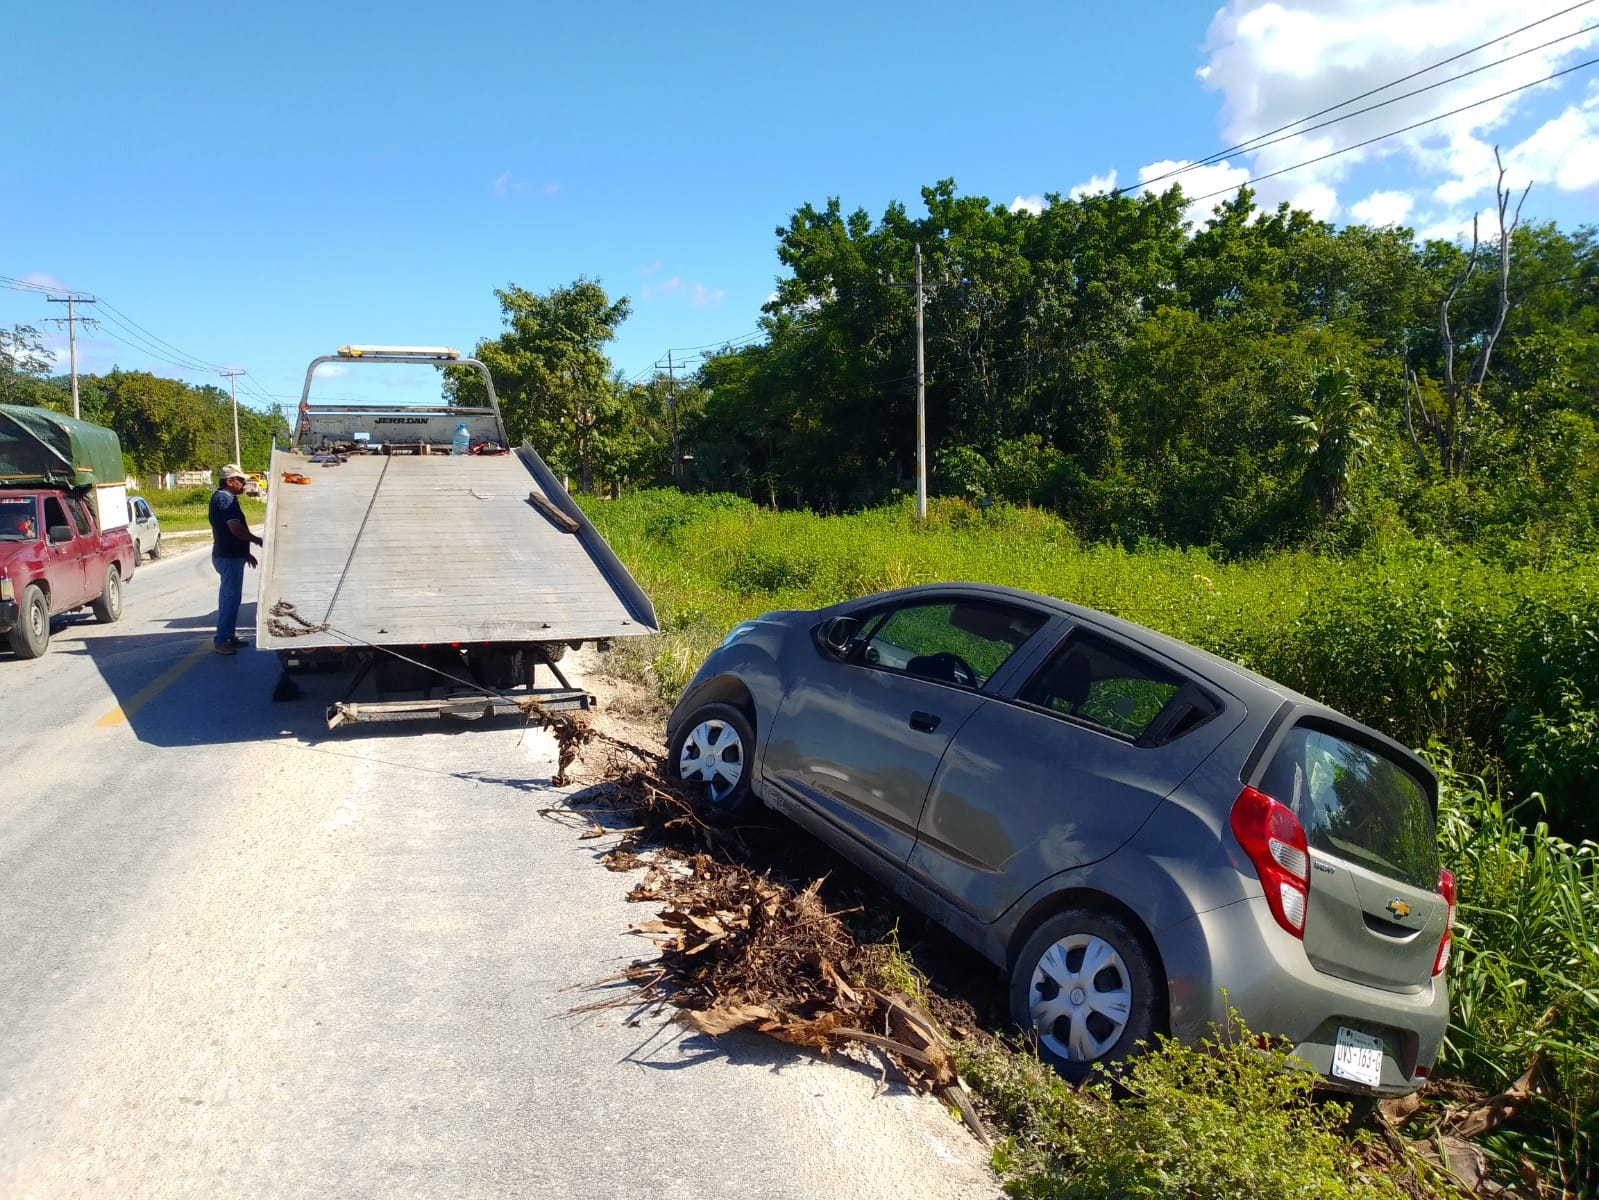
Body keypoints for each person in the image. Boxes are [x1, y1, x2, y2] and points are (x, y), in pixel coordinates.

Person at [210, 463, 263, 655]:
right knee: (230, 599)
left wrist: (245, 553)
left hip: (231, 555)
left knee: (231, 598)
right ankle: (222, 639)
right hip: (228, 557)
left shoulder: (227, 498)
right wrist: (256, 540)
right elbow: (235, 529)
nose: (243, 484)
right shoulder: (225, 500)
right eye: (241, 480)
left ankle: (228, 636)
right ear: (230, 481)